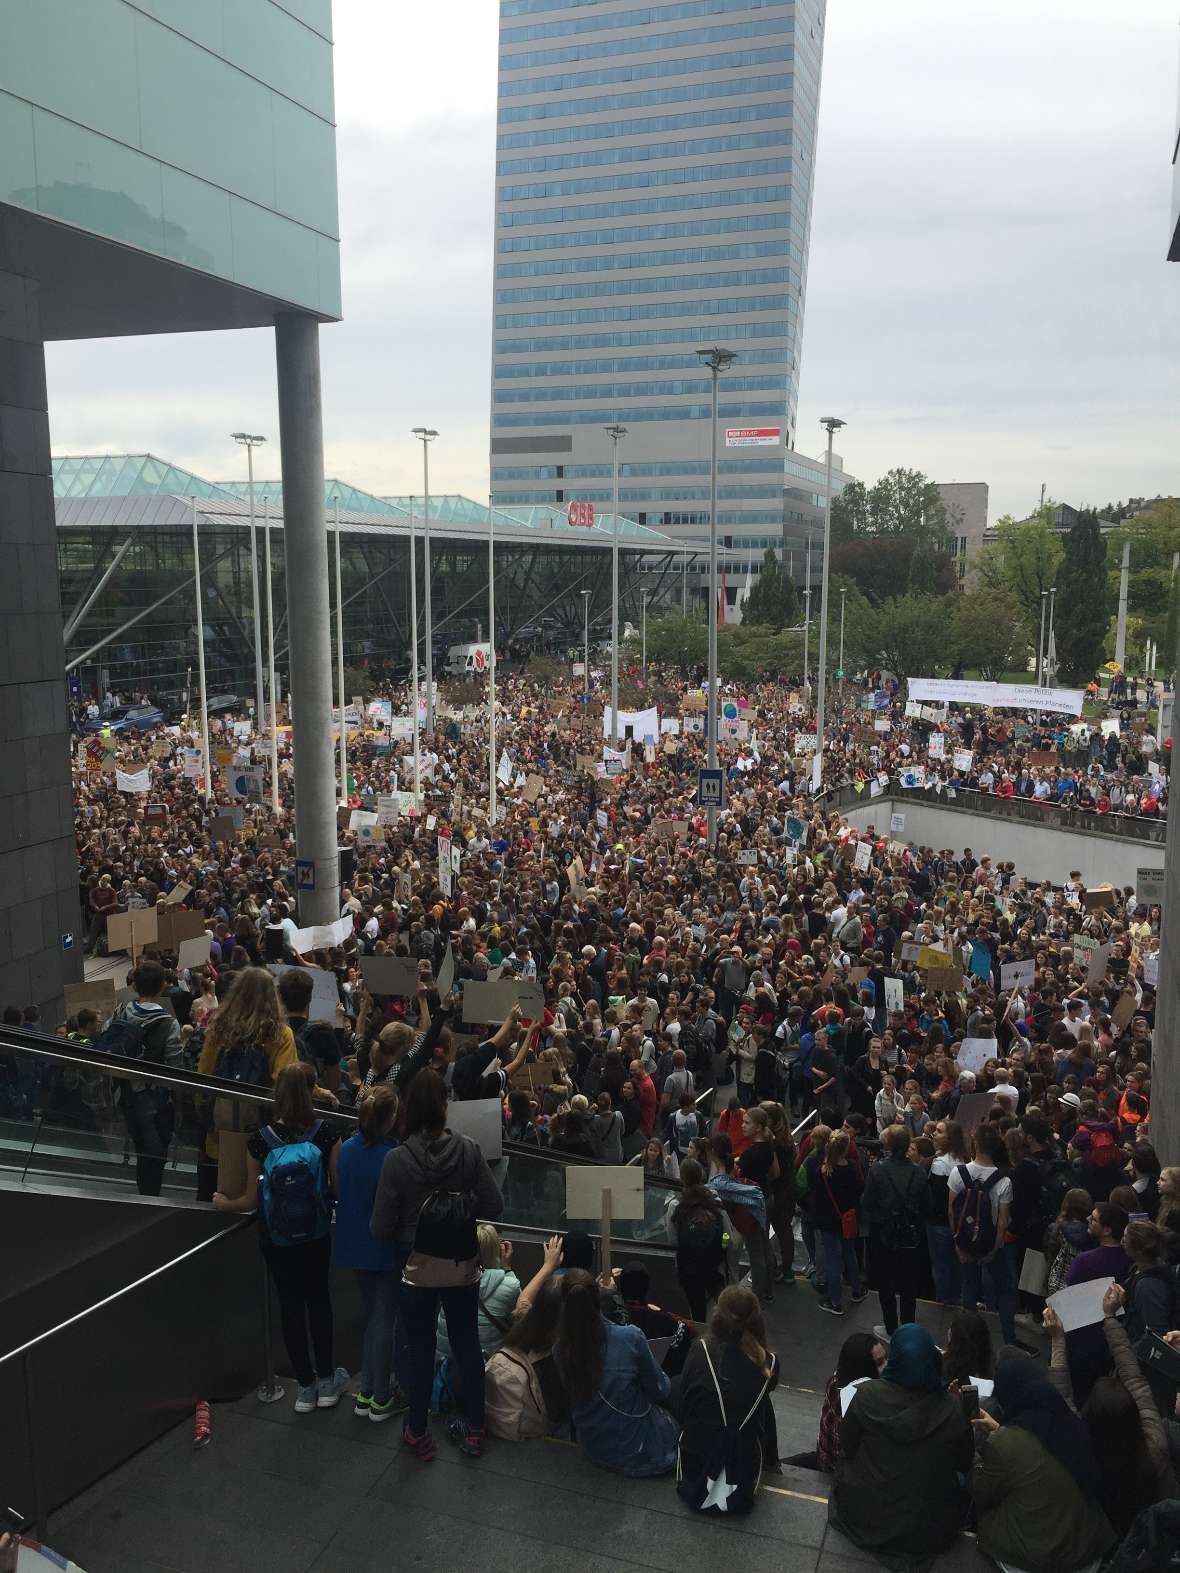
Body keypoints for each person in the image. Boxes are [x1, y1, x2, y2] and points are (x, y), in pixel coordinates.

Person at [369, 1068, 504, 1460]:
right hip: (463, 1266)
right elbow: (494, 1205)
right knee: (467, 1345)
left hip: (416, 1269)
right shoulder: (469, 1150)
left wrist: (410, 1234)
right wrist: (459, 1211)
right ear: (445, 1108)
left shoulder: (396, 1160)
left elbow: (380, 1226)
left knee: (420, 1346)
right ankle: (475, 1428)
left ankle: (416, 1429)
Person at [213, 1063, 348, 1414]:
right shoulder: (328, 1134)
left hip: (277, 1238)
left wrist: (224, 1204)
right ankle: (327, 1381)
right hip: (316, 1235)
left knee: (289, 1305)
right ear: (313, 1090)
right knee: (319, 1301)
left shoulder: (261, 1141)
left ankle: (303, 1388)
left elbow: (249, 1200)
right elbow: (338, 1189)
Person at [830, 1324, 974, 1569]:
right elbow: (963, 1462)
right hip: (927, 1527)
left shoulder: (865, 1395)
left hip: (867, 1514)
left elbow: (849, 1445)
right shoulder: (951, 1409)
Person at [1045, 1288, 1179, 1538]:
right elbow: (1133, 1377)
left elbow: (1062, 1398)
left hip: (1102, 1530)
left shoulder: (1082, 1446)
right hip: (1150, 1529)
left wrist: (1057, 1340)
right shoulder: (1154, 1441)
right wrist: (1110, 1319)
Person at [971, 1351, 1117, 1572]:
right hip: (1087, 1552)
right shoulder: (1069, 1424)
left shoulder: (1005, 1443)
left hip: (1037, 1561)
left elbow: (980, 1491)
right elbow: (1037, 1454)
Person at [557, 1266, 679, 1477]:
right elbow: (660, 1390)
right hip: (640, 1453)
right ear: (598, 1300)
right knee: (676, 1385)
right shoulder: (630, 1337)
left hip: (593, 1448)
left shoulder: (559, 1348)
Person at [333, 1084, 407, 1421]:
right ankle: (380, 1397)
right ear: (391, 1117)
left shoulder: (347, 1149)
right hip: (385, 1248)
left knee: (372, 1318)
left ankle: (365, 1392)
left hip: (353, 1244)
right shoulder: (393, 1157)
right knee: (384, 1319)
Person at [196, 965, 299, 1200]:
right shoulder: (280, 1034)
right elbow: (285, 1083)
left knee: (211, 1203)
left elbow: (203, 1075)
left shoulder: (218, 1028)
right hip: (261, 1139)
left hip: (218, 1139)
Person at [674, 1286, 779, 1515]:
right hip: (742, 1462)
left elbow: (684, 1405)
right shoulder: (769, 1363)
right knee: (762, 1405)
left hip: (697, 1456)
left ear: (718, 1316)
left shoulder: (699, 1349)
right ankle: (773, 1463)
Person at [99, 957, 184, 1196]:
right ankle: (151, 1197)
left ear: (135, 986)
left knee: (141, 1148)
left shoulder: (122, 1011)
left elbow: (107, 1036)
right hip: (157, 1102)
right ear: (162, 986)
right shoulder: (169, 1024)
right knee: (156, 1154)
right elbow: (175, 1068)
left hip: (127, 1096)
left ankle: (143, 1194)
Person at [948, 1123, 1018, 1347]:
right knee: (1005, 1290)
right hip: (990, 1245)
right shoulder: (1004, 1181)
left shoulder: (957, 1173)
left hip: (965, 1241)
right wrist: (994, 1250)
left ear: (975, 1143)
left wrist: (957, 1243)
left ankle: (968, 1337)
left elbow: (951, 1211)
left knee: (969, 1285)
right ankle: (1008, 1337)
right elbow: (1002, 1223)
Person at [861, 1123, 928, 1338]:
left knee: (886, 1285)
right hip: (911, 1236)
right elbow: (929, 1204)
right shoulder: (918, 1171)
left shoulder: (878, 1170)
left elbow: (867, 1203)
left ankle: (891, 1328)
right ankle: (908, 1327)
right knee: (909, 1287)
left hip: (883, 1236)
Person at [438, 1223, 521, 1363]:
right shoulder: (509, 1285)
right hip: (487, 1369)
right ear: (496, 1252)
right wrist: (507, 1267)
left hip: (445, 1368)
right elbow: (522, 1316)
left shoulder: (449, 1280)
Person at [812, 1130, 865, 1317]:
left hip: (828, 1221)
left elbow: (815, 1195)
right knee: (849, 1254)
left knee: (832, 1260)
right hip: (847, 1219)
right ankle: (857, 1290)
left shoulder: (822, 1171)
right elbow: (859, 1191)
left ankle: (835, 1301)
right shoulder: (852, 1168)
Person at [669, 1158, 730, 1321]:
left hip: (688, 1267)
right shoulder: (715, 1201)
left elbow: (673, 1240)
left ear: (682, 1178)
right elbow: (727, 1232)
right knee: (722, 1303)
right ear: (701, 1176)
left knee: (696, 1309)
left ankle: (700, 1338)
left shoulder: (676, 1205)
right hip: (714, 1264)